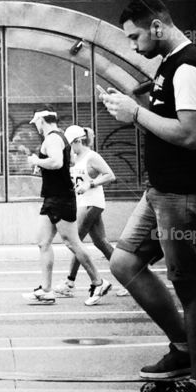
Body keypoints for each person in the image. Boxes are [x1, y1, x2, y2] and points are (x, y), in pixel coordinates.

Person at [100, 0, 196, 392]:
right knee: (123, 263)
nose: (133, 45)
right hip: (162, 191)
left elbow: (191, 135)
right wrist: (128, 107)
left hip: (187, 196)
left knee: (190, 286)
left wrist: (134, 115)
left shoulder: (187, 67)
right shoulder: (167, 67)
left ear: (157, 26)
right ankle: (183, 347)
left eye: (136, 36)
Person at [21, 109, 112, 305]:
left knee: (72, 243)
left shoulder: (53, 138)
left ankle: (99, 282)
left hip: (61, 198)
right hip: (52, 198)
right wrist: (43, 166)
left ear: (42, 121)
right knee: (43, 242)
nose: (35, 127)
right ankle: (46, 290)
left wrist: (36, 160)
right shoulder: (61, 137)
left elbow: (56, 162)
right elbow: (67, 163)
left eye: (36, 123)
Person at [55, 126, 127, 298]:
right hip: (83, 202)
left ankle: (70, 282)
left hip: (91, 203)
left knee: (75, 241)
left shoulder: (92, 156)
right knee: (100, 242)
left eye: (69, 145)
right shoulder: (75, 157)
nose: (68, 149)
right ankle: (129, 277)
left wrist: (91, 184)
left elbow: (110, 175)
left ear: (78, 141)